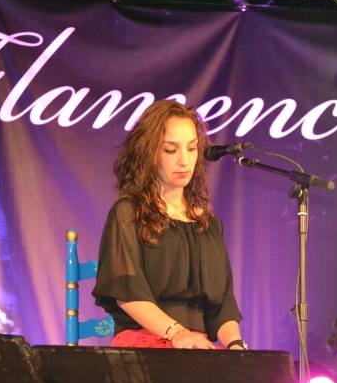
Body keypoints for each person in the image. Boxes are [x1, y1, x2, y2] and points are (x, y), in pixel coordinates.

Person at [92, 100, 246, 351]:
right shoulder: (128, 212)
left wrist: (237, 345)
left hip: (195, 347)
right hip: (146, 339)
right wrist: (177, 333)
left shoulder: (208, 224)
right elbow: (128, 294)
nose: (185, 160)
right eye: (171, 150)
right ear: (149, 152)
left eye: (192, 148)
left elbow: (223, 306)